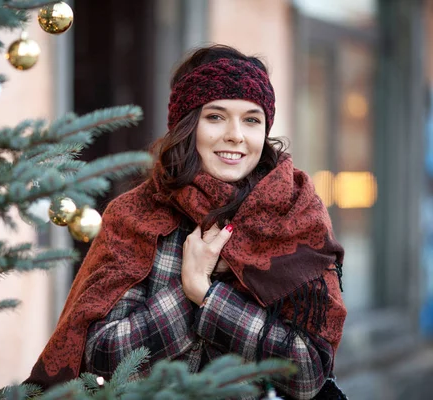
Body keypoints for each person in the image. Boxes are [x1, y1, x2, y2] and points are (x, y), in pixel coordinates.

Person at [25, 44, 347, 400]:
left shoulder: (294, 216)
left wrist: (208, 296)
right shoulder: (136, 215)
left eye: (252, 119)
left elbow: (308, 375)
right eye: (215, 116)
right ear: (187, 125)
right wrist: (184, 295)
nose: (236, 135)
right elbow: (101, 360)